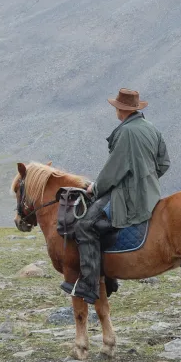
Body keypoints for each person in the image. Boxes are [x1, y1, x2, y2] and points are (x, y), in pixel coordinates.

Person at [60, 88, 170, 304]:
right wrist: (146, 179)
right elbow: (164, 163)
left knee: (85, 226)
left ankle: (90, 285)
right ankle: (108, 276)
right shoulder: (152, 130)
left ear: (121, 109)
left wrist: (95, 188)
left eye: (116, 108)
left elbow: (114, 170)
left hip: (127, 195)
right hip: (151, 193)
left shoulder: (125, 132)